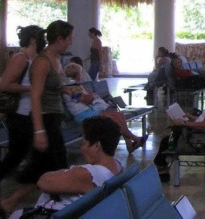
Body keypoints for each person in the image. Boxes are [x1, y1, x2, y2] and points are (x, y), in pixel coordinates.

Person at [0, 20, 73, 215]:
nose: (71, 42)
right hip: (40, 119)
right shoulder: (40, 61)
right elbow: (35, 95)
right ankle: (58, 206)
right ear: (59, 39)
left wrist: (67, 91)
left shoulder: (53, 59)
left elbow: (52, 87)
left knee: (46, 166)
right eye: (69, 38)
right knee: (51, 166)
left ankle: (11, 202)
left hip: (51, 118)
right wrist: (39, 130)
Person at [8, 116, 123, 218]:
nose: (82, 148)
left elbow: (43, 182)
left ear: (97, 146)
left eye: (84, 143)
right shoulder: (117, 167)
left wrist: (68, 171)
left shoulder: (88, 174)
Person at [154, 71, 205, 182]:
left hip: (202, 139)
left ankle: (161, 169)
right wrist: (192, 118)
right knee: (172, 133)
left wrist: (183, 123)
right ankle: (163, 167)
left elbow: (203, 125)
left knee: (167, 140)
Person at [62, 65, 147, 153]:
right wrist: (90, 96)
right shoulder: (71, 88)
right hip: (82, 114)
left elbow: (88, 97)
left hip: (90, 110)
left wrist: (90, 95)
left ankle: (129, 143)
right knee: (112, 118)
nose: (82, 75)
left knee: (119, 115)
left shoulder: (78, 86)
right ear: (77, 74)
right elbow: (86, 99)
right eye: (81, 73)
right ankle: (135, 138)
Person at [0, 25, 46, 180]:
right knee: (16, 155)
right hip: (20, 113)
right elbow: (5, 85)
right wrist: (32, 88)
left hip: (31, 112)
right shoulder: (21, 58)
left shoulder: (36, 58)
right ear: (33, 39)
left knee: (23, 153)